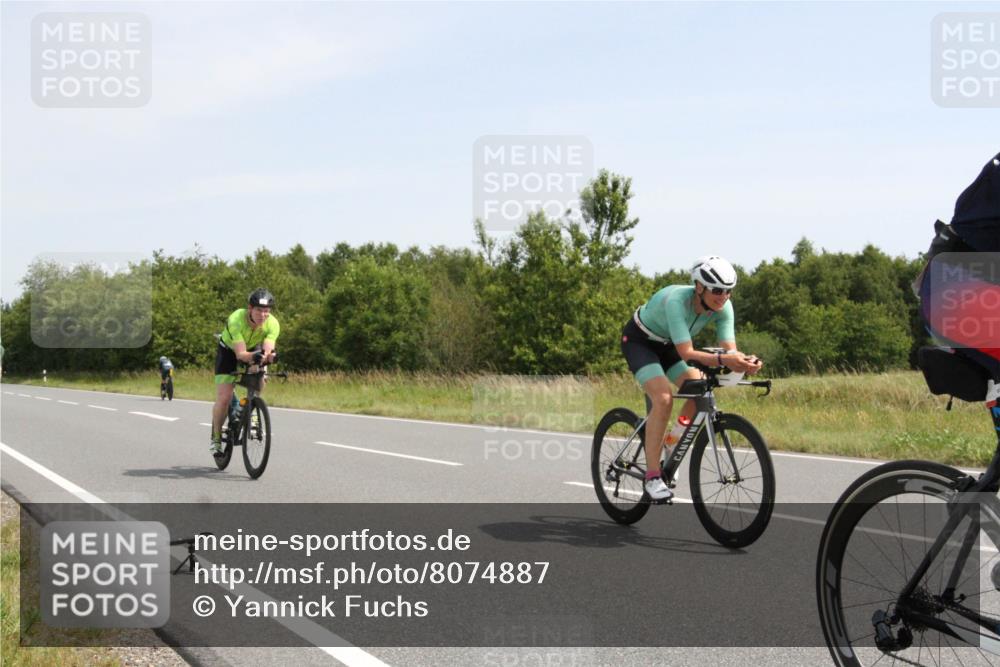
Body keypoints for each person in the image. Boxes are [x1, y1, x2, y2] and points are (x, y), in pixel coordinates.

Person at [621, 256, 763, 500]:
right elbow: (687, 353)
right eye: (717, 290)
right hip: (640, 342)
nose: (723, 296)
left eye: (728, 291)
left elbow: (729, 350)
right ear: (699, 287)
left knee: (698, 392)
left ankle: (671, 441)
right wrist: (725, 360)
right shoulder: (678, 301)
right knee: (663, 399)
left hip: (669, 347)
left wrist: (743, 362)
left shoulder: (724, 307)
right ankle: (652, 476)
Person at [210, 288, 280, 454]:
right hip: (229, 350)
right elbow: (241, 354)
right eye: (258, 310)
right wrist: (257, 356)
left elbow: (268, 349)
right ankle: (216, 438)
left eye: (266, 311)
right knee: (224, 397)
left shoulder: (273, 324)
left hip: (253, 347)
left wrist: (270, 357)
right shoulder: (236, 320)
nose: (262, 315)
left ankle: (252, 408)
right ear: (250, 308)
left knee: (261, 373)